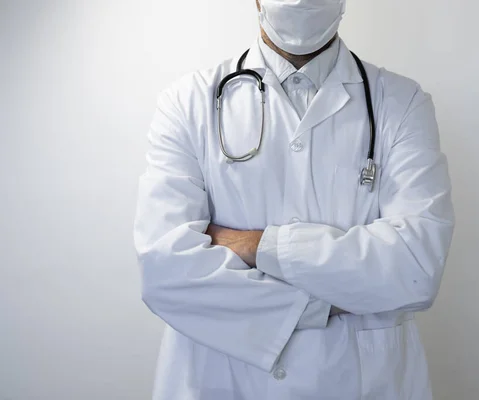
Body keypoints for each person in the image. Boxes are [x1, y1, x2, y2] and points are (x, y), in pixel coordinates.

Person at [133, 0, 455, 398]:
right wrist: (323, 303)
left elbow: (416, 267)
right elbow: (166, 271)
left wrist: (256, 245)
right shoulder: (187, 102)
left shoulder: (402, 104)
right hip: (221, 382)